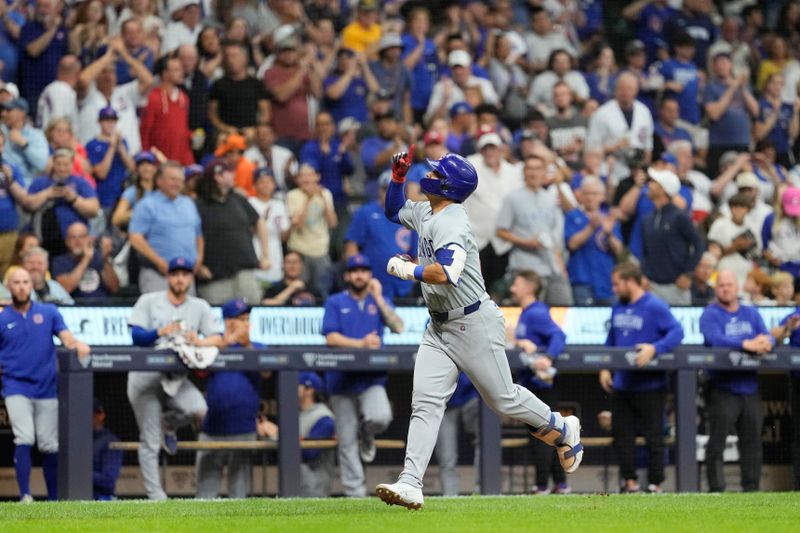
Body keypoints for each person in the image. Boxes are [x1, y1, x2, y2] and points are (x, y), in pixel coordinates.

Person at [376, 148, 583, 510]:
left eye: (438, 175)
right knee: (424, 403)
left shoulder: (451, 219)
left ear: (452, 187)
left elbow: (448, 272)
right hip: (439, 326)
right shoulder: (429, 209)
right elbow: (394, 211)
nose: (431, 176)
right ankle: (410, 482)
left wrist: (407, 270)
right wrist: (397, 178)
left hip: (473, 322)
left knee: (502, 398)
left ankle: (562, 427)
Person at [127, 257, 224, 500]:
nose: (180, 278)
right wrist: (160, 331)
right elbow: (136, 336)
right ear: (168, 277)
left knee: (198, 408)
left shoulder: (199, 306)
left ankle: (168, 424)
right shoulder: (149, 301)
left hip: (176, 379)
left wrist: (199, 340)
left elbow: (217, 338)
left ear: (191, 278)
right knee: (149, 441)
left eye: (185, 274)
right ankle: (156, 496)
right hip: (145, 377)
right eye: (175, 274)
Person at [0, 267, 90, 502]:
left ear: (31, 285)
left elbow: (66, 337)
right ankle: (26, 495)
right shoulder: (2, 318)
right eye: (16, 282)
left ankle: (53, 499)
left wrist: (78, 344)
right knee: (25, 437)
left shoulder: (48, 312)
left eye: (25, 282)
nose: (21, 286)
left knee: (50, 443)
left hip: (46, 387)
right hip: (16, 386)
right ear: (8, 286)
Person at [322, 254, 404, 497]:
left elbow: (399, 326)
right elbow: (330, 337)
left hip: (371, 379)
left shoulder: (378, 300)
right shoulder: (335, 301)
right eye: (354, 270)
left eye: (364, 270)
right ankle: (354, 495)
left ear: (370, 275)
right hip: (341, 380)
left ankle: (366, 433)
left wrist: (378, 298)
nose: (359, 274)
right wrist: (361, 343)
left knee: (380, 417)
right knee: (346, 441)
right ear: (347, 275)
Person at [600, 262, 684, 493]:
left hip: (650, 384)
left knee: (654, 437)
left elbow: (677, 332)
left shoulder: (655, 306)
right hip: (622, 385)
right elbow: (611, 339)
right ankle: (630, 482)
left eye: (617, 284)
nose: (614, 289)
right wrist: (605, 368)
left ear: (630, 281)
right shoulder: (618, 307)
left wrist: (655, 348)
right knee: (622, 436)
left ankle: (655, 483)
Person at [699, 270, 773, 493]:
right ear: (716, 288)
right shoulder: (710, 314)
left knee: (751, 443)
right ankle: (716, 489)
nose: (726, 288)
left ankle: (751, 489)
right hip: (723, 388)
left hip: (749, 387)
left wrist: (766, 341)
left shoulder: (750, 313)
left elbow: (766, 335)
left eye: (730, 284)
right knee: (717, 444)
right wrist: (746, 344)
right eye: (721, 285)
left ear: (737, 287)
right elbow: (715, 339)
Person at [196, 299, 263, 499]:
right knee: (205, 496)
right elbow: (199, 372)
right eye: (240, 319)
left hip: (244, 430)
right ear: (228, 322)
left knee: (239, 495)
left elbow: (267, 372)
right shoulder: (211, 347)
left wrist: (246, 344)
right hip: (212, 430)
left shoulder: (257, 346)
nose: (245, 324)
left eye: (247, 319)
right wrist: (226, 342)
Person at [509, 271, 569, 495]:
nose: (512, 288)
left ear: (529, 287)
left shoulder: (537, 312)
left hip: (543, 386)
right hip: (531, 383)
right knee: (544, 434)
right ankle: (556, 483)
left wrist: (548, 357)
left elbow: (558, 336)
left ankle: (548, 484)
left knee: (545, 434)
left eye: (516, 283)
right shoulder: (526, 313)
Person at [496, 154, 572, 305]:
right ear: (524, 172)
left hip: (551, 266)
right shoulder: (512, 198)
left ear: (544, 172)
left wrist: (560, 262)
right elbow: (500, 231)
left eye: (537, 168)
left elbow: (554, 233)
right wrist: (525, 242)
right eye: (529, 168)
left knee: (564, 305)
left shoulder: (550, 198)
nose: (533, 173)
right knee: (529, 312)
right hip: (525, 268)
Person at [194, 160, 267, 305]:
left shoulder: (238, 199)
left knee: (251, 311)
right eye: (229, 172)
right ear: (218, 177)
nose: (234, 175)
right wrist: (198, 265)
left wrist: (266, 255)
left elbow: (258, 221)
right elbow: (190, 236)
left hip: (244, 271)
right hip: (215, 276)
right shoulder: (199, 205)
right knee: (219, 318)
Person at [255, 371, 337, 497]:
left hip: (314, 489)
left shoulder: (324, 418)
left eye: (297, 385)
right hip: (295, 485)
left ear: (309, 390)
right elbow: (282, 453)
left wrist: (278, 434)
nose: (292, 388)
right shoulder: (299, 415)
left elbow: (309, 453)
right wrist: (268, 434)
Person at [128, 161, 204, 293]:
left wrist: (199, 257)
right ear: (159, 181)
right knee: (159, 313)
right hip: (158, 274)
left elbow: (198, 234)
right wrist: (159, 262)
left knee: (187, 313)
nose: (177, 183)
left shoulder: (188, 203)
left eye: (181, 180)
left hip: (186, 275)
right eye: (173, 179)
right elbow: (135, 238)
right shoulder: (147, 205)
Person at [344, 172, 418, 300]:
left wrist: (411, 279)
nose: (390, 193)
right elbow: (351, 247)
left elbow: (418, 255)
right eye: (386, 189)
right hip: (372, 285)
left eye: (396, 189)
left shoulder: (410, 216)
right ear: (379, 190)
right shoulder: (365, 213)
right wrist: (360, 277)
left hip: (402, 286)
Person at [641, 167, 704, 306]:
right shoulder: (647, 219)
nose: (648, 185)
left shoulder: (679, 216)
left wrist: (688, 273)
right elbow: (645, 251)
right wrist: (643, 275)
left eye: (653, 182)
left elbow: (698, 244)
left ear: (664, 189)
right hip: (652, 287)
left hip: (676, 287)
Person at [286, 164, 337, 298]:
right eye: (302, 176)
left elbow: (333, 223)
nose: (306, 179)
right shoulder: (292, 196)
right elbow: (298, 227)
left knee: (322, 291)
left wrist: (324, 199)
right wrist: (308, 199)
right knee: (297, 291)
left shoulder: (326, 194)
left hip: (320, 250)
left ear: (317, 177)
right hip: (299, 252)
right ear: (297, 179)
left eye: (309, 175)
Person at [139, 54, 193, 165]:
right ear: (164, 74)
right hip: (158, 160)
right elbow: (145, 130)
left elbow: (182, 130)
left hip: (181, 158)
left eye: (181, 69)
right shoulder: (153, 98)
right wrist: (145, 158)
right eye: (176, 70)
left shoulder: (184, 98)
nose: (181, 73)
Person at [433, 372, 478, 497]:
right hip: (443, 400)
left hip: (473, 395)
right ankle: (450, 496)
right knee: (446, 456)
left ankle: (483, 491)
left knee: (485, 443)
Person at [86, 107, 136, 216]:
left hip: (121, 195)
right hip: (103, 196)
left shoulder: (122, 142)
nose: (110, 124)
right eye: (106, 120)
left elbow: (132, 168)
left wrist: (120, 147)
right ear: (99, 122)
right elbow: (101, 173)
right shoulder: (92, 145)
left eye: (113, 120)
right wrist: (112, 147)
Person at [51, 221, 119, 300]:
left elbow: (115, 288)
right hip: (75, 308)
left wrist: (105, 260)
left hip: (102, 307)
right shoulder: (60, 262)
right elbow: (65, 289)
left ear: (89, 239)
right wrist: (86, 259)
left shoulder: (99, 258)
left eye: (82, 237)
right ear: (67, 242)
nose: (78, 241)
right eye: (73, 237)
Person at [771, 309, 800, 490]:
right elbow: (773, 338)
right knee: (799, 435)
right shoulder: (795, 315)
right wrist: (787, 328)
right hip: (798, 382)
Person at [248, 168, 290, 285]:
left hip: (275, 251)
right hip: (255, 248)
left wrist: (293, 225)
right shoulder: (250, 203)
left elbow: (284, 237)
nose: (266, 185)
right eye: (262, 182)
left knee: (274, 285)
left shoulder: (279, 204)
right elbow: (246, 232)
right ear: (255, 185)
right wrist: (260, 222)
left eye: (269, 182)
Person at [1, 97, 49, 185]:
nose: (3, 114)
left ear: (21, 113)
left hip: (27, 185)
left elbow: (42, 165)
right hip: (4, 184)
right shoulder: (1, 131)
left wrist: (25, 145)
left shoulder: (36, 135)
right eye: (3, 110)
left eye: (9, 110)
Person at [92, 400, 122, 501]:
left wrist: (81, 474)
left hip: (102, 498)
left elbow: (109, 480)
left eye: (91, 415)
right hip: (78, 495)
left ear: (101, 415)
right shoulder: (77, 440)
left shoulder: (110, 441)